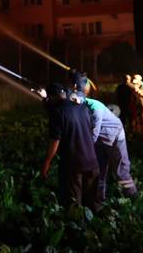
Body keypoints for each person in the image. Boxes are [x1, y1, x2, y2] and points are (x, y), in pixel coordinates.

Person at [69, 92, 138, 208]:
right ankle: (99, 201)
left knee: (121, 170)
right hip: (100, 141)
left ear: (82, 100)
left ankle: (132, 197)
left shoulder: (95, 108)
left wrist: (83, 148)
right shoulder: (79, 109)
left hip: (115, 136)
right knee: (99, 171)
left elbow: (93, 134)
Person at [41, 83, 100, 212]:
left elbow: (54, 142)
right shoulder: (83, 107)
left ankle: (78, 230)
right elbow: (92, 127)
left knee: (74, 207)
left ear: (52, 97)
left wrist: (46, 163)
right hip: (92, 163)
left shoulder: (58, 113)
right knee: (93, 205)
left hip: (73, 166)